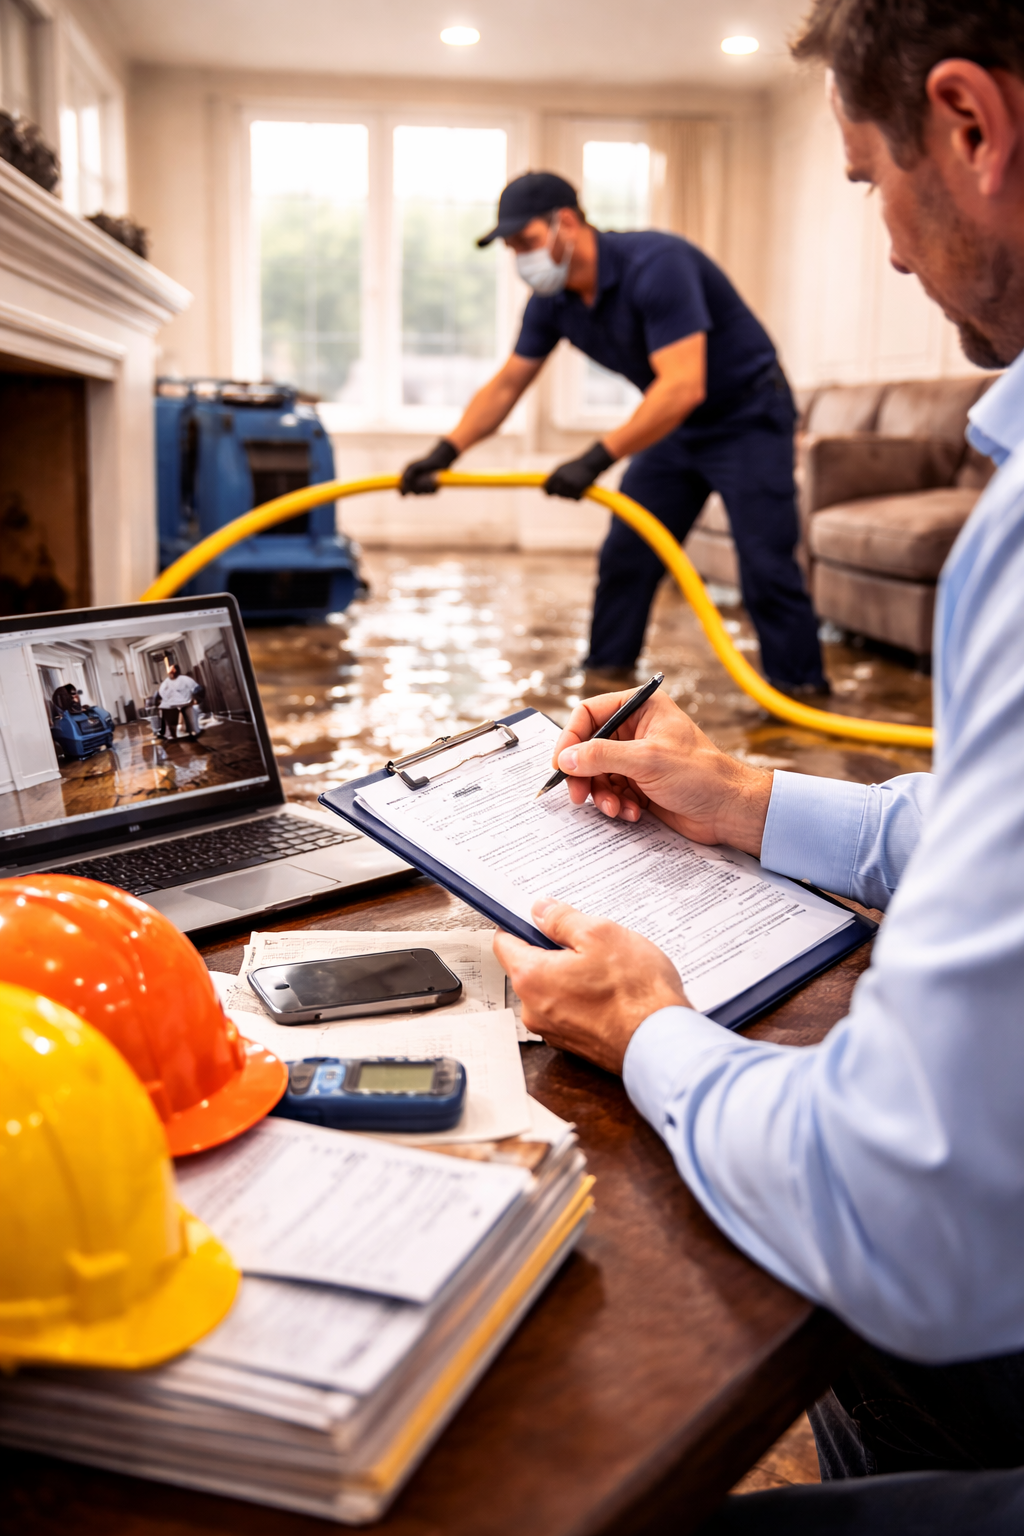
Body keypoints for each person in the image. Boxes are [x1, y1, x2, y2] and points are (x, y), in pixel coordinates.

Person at [493, 3, 1024, 1530]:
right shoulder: (550, 305)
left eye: (870, 181)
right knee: (622, 575)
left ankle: (789, 683)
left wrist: (649, 1026)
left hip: (730, 420)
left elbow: (896, 1210)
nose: (890, 243)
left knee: (770, 588)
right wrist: (740, 801)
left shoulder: (651, 267)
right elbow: (993, 823)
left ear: (969, 128)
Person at [399, 171, 827, 698]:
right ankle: (605, 684)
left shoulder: (657, 266)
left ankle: (801, 692)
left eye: (527, 242)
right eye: (511, 248)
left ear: (568, 223)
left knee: (765, 563)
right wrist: (445, 451)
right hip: (675, 421)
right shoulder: (551, 301)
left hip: (748, 416)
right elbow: (509, 384)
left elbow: (684, 384)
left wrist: (595, 458)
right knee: (627, 554)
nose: (520, 259)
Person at [156, 664, 200, 742]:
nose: (171, 673)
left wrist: (194, 698)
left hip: (186, 702)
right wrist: (166, 699)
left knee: (190, 715)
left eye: (172, 670)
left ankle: (192, 732)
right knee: (168, 713)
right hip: (171, 703)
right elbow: (161, 692)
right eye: (170, 671)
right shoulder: (166, 682)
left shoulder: (185, 679)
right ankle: (172, 735)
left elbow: (195, 688)